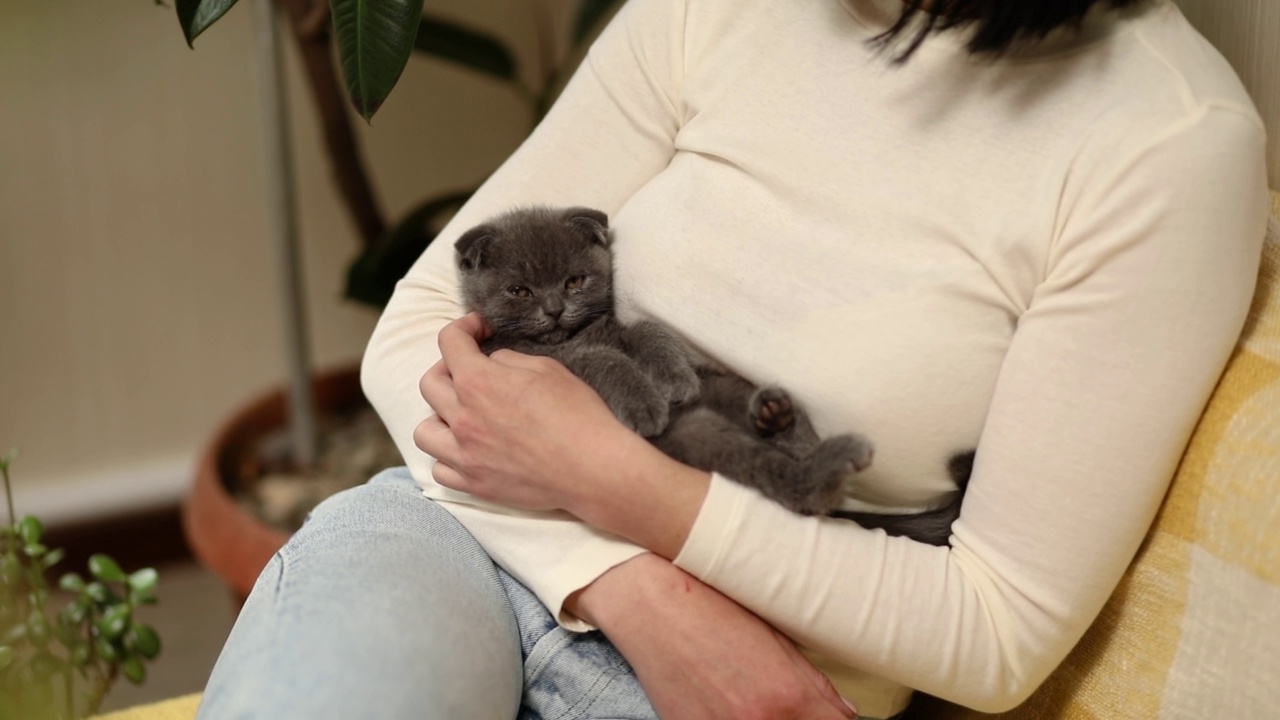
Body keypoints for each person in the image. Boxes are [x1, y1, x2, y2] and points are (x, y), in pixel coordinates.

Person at [197, 0, 1269, 718]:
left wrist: (627, 490)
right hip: (461, 534)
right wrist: (629, 579)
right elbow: (421, 320)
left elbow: (997, 624)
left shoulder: (1165, 143)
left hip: (753, 686)